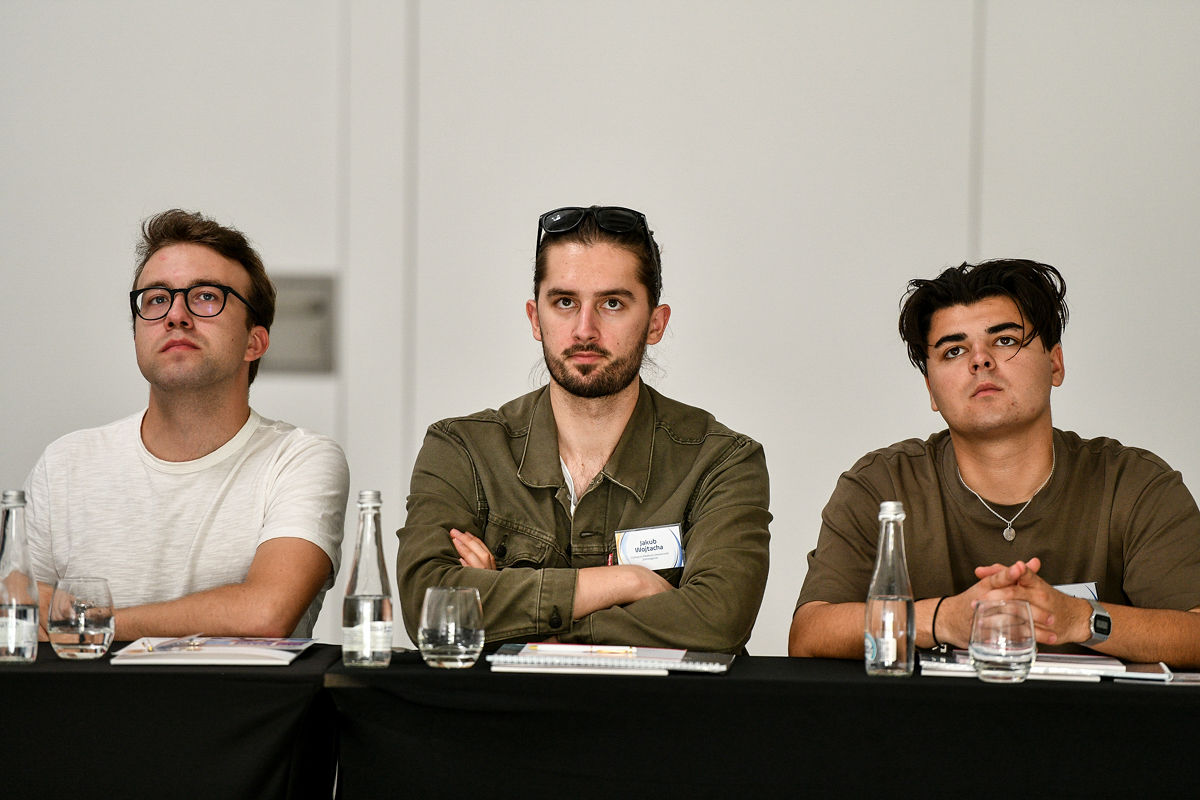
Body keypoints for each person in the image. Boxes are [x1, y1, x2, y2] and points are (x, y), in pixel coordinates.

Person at [396, 205, 771, 652]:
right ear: (535, 318)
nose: (584, 329)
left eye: (612, 303)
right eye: (565, 302)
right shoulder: (463, 449)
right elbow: (427, 607)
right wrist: (628, 582)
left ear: (656, 324)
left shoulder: (722, 461)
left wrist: (521, 616)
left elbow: (718, 619)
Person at [789, 259, 1200, 666]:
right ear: (931, 390)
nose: (980, 360)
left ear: (1055, 363)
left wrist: (1079, 619)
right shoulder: (881, 485)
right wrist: (942, 619)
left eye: (1004, 340)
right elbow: (810, 634)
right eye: (954, 350)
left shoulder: (1135, 483)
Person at [23, 209, 349, 639]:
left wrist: (89, 621)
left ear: (254, 342)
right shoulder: (65, 463)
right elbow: (17, 614)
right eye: (157, 299)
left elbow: (265, 613)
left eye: (206, 296)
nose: (175, 315)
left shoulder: (297, 460)